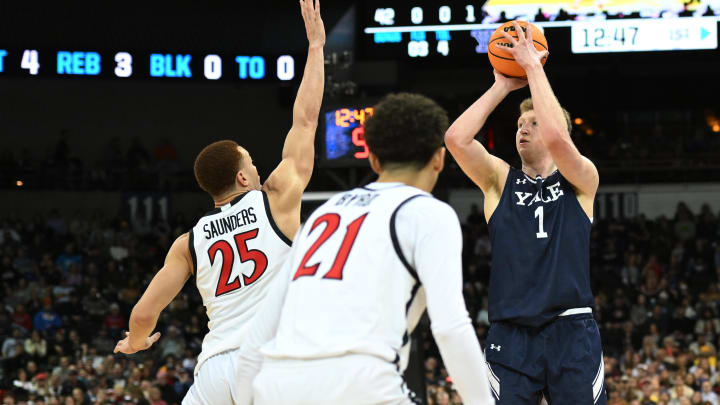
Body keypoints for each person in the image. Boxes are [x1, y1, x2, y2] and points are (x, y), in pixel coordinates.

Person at [112, 1, 325, 404]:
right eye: (254, 164)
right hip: (272, 362)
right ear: (244, 177)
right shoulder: (276, 199)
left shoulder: (187, 243)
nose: (260, 170)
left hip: (215, 372)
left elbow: (142, 315)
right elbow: (306, 121)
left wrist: (136, 343)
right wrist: (315, 48)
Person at [248, 93, 495, 404]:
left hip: (277, 385)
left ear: (374, 160)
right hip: (360, 382)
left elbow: (257, 336)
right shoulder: (427, 212)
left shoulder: (322, 214)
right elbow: (450, 327)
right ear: (439, 158)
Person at [444, 21, 604, 404]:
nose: (524, 129)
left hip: (572, 328)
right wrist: (502, 84)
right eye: (519, 123)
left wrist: (534, 68)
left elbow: (557, 139)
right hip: (511, 334)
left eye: (533, 122)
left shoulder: (581, 179)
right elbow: (455, 139)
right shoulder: (499, 181)